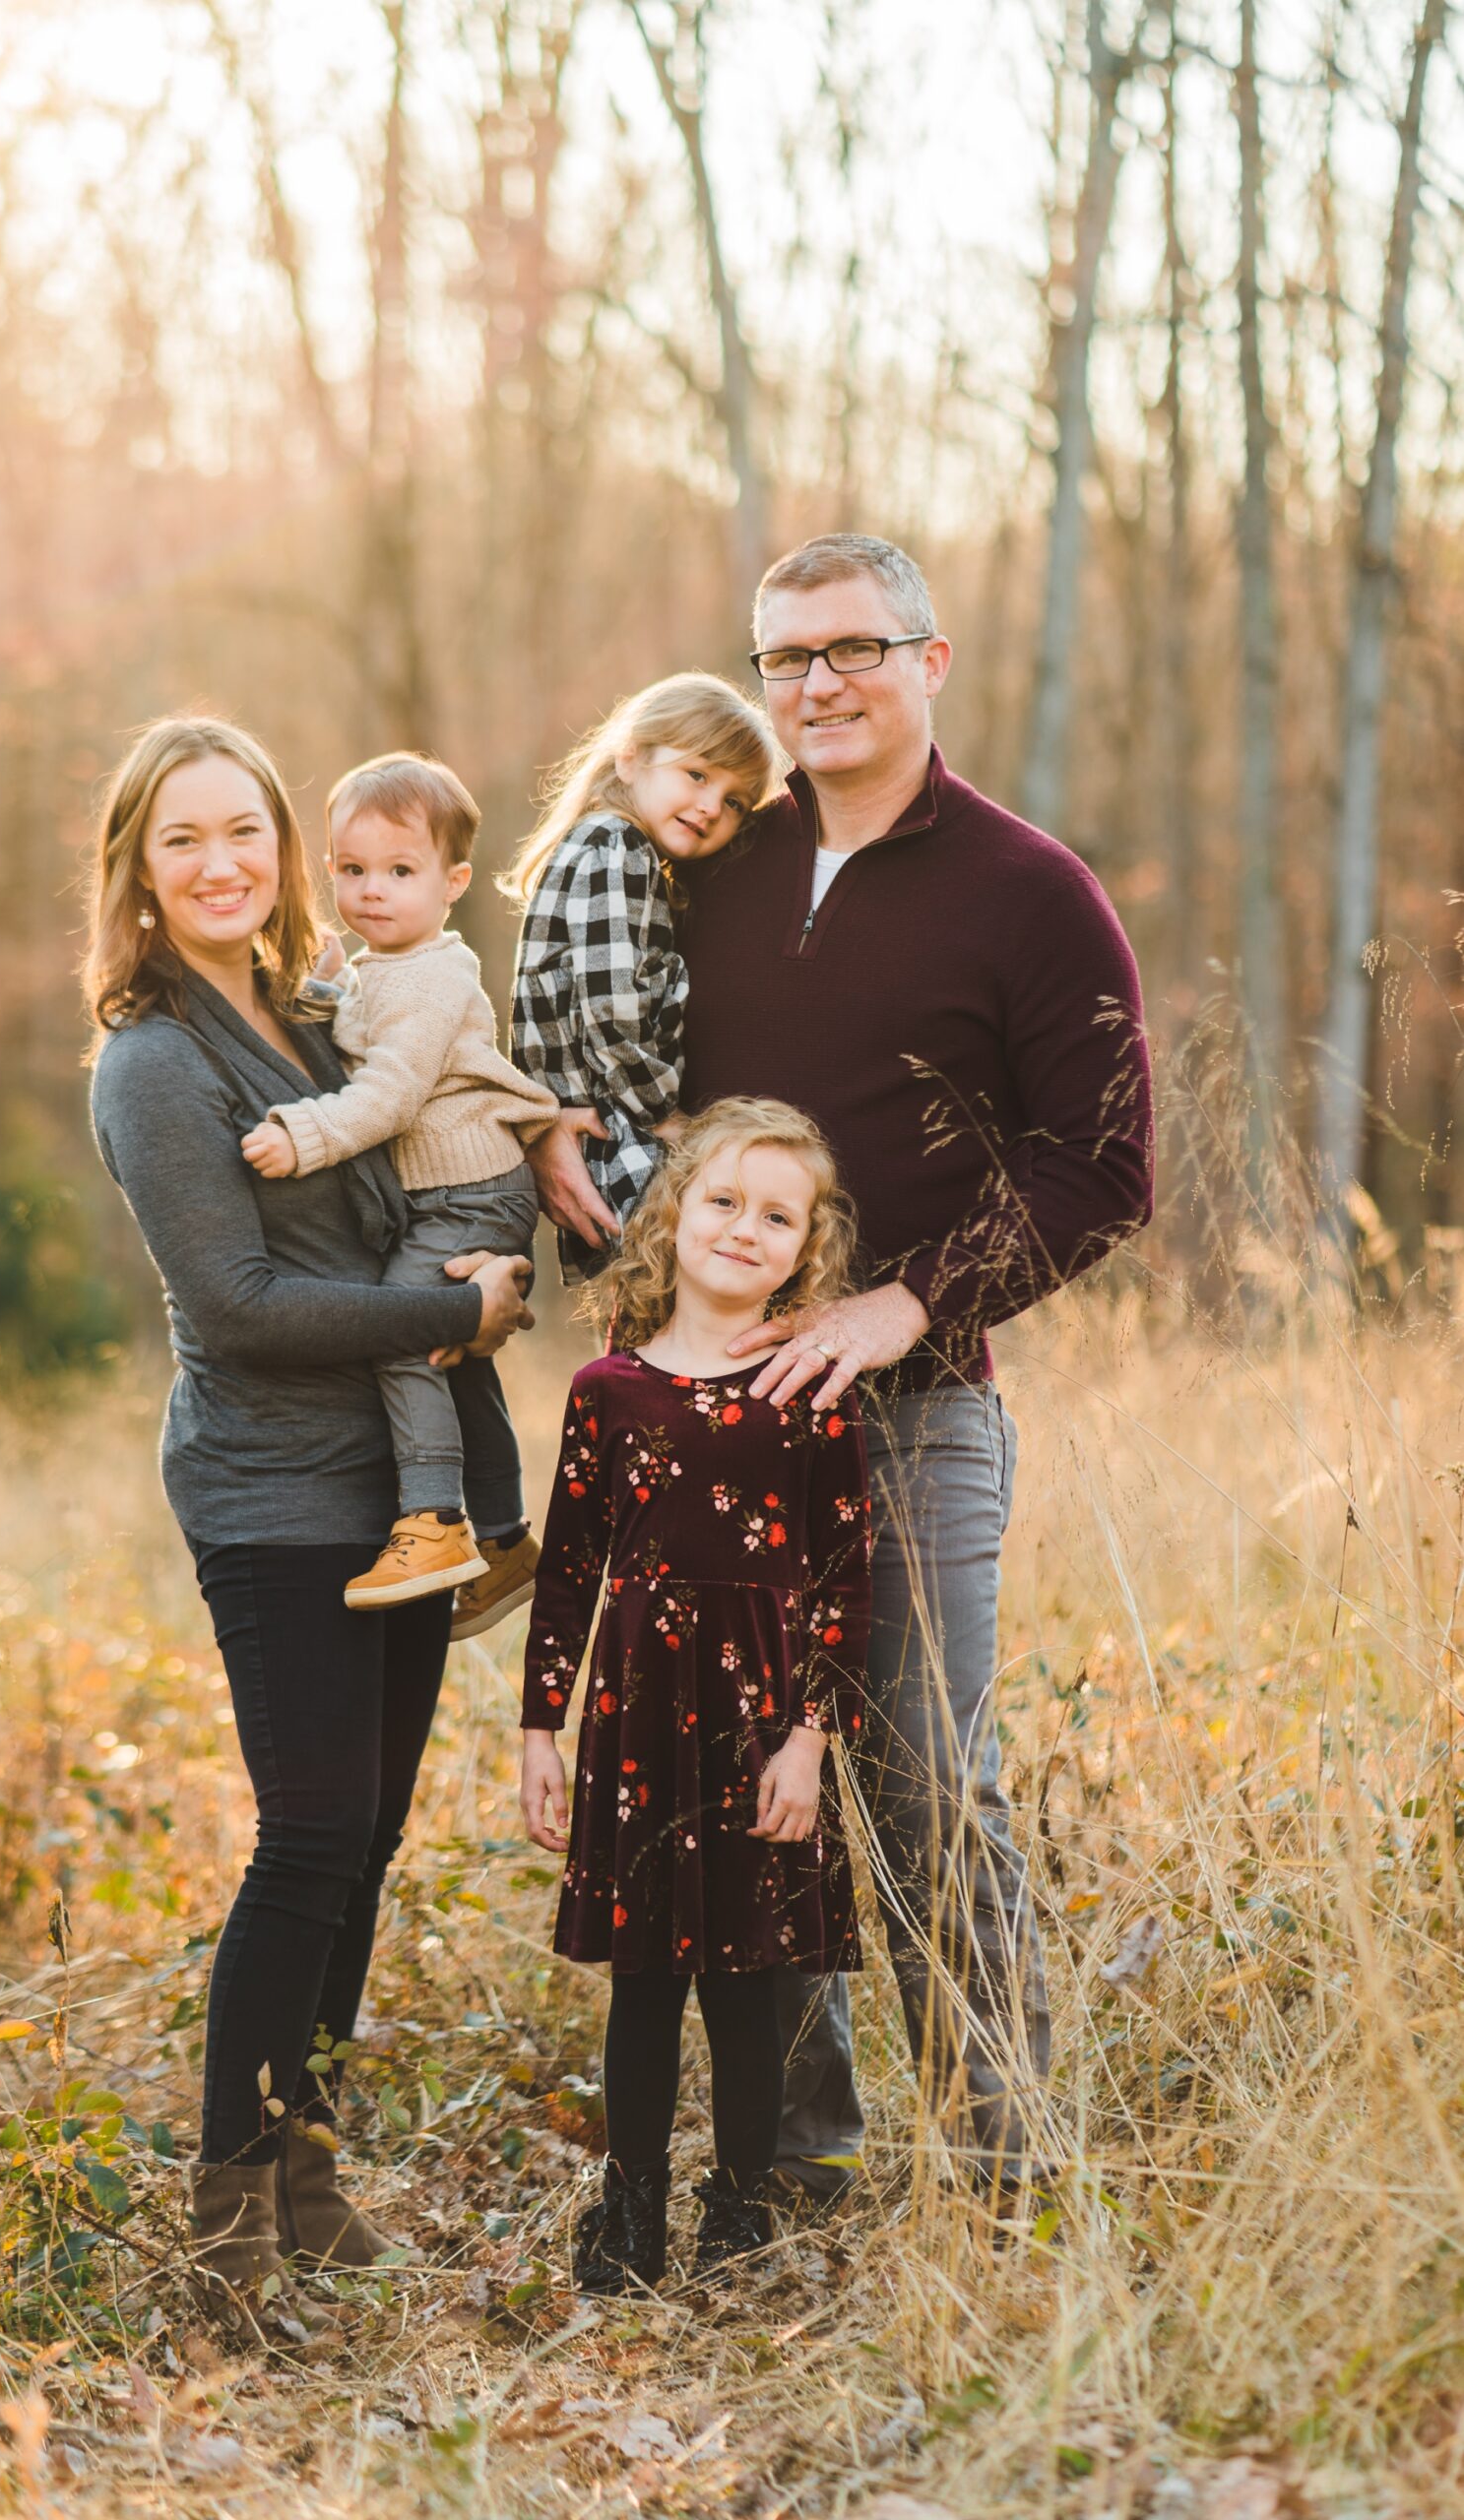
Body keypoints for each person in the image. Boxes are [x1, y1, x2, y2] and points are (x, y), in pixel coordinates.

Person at [528, 534, 1155, 2208]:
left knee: (924, 1774)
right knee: (738, 1782)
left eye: (853, 650)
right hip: (704, 1410)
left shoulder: (1028, 890)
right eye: (785, 659)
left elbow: (1105, 1165)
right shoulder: (707, 858)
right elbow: (604, 1038)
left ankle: (1010, 2164)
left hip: (915, 1403)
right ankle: (782, 2162)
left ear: (930, 660)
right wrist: (552, 1139)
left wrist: (903, 1305)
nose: (818, 686)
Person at [85, 716, 533, 2341]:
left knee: (371, 1841)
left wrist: (504, 1240)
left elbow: (427, 1162)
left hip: (397, 1488)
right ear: (137, 871)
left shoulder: (326, 1005)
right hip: (275, 1490)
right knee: (310, 1840)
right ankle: (220, 2247)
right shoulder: (155, 1061)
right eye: (184, 839)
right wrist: (449, 1313)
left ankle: (310, 2188)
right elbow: (243, 1305)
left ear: (284, 847)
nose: (223, 864)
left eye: (245, 832)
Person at [519, 1099, 871, 2290]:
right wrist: (539, 1731)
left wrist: (812, 1741)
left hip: (763, 1719)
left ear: (808, 1246)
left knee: (749, 1982)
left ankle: (738, 2212)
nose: (744, 1228)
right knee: (644, 1981)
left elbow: (843, 1578)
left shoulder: (811, 1381)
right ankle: (631, 2218)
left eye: (779, 1216)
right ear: (673, 1212)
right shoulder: (607, 1389)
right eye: (723, 1200)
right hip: (636, 1714)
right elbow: (568, 1570)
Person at [239, 752, 557, 1633]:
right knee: (462, 1360)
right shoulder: (389, 963)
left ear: (454, 881)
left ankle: (435, 1521)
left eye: (400, 871)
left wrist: (305, 1137)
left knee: (405, 1331)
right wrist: (326, 986)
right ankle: (504, 1541)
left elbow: (389, 1094)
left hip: (467, 1194)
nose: (371, 890)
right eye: (351, 870)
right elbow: (353, 1020)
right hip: (450, 1194)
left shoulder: (430, 978)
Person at [506, 672, 780, 1282]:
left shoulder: (608, 848)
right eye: (698, 774)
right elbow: (611, 1010)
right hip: (617, 1131)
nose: (712, 806)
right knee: (699, 1292)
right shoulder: (616, 846)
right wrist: (664, 1117)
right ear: (630, 757)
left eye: (736, 800)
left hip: (592, 1134)